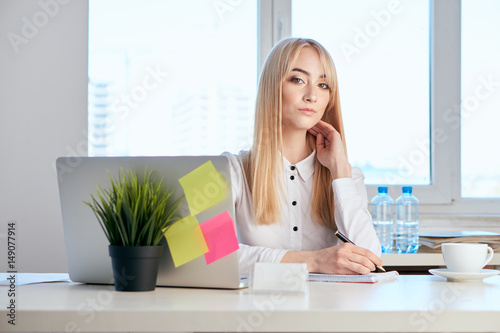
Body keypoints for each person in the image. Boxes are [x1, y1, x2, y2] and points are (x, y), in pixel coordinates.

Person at [223, 37, 382, 276]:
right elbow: (206, 253)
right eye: (297, 80)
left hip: (327, 311)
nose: (312, 96)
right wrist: (313, 261)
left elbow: (370, 261)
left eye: (323, 85)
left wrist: (339, 170)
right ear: (272, 87)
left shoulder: (348, 176)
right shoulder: (228, 170)